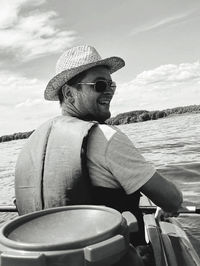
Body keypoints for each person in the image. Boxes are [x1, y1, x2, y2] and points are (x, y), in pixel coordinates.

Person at [15, 45, 183, 246]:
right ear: (69, 94)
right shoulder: (106, 137)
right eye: (100, 85)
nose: (110, 92)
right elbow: (172, 200)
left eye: (112, 85)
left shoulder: (29, 146)